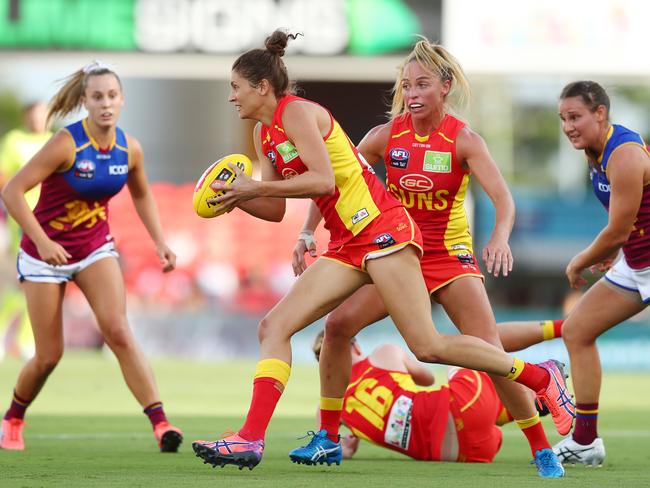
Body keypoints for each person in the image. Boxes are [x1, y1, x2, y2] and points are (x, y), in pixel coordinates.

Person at [191, 30, 569, 477]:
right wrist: (238, 199)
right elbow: (274, 209)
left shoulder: (298, 113)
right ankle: (254, 439)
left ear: (262, 87)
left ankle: (539, 378)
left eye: (235, 87)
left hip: (388, 233)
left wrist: (257, 185)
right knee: (280, 326)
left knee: (427, 347)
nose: (230, 97)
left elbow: (324, 181)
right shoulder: (264, 134)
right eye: (406, 85)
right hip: (351, 242)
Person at [0, 61, 183, 453]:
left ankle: (161, 423)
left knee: (117, 330)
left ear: (122, 100)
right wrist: (42, 242)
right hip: (43, 254)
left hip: (94, 247)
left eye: (112, 96)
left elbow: (141, 193)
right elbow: (13, 191)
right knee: (49, 355)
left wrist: (159, 240)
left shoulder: (128, 147)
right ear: (85, 101)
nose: (106, 103)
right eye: (97, 96)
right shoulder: (67, 143)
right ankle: (13, 418)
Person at [552, 81, 650, 466]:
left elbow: (619, 228)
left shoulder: (624, 152)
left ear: (601, 114)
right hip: (636, 263)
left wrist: (582, 259)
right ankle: (585, 440)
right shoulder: (593, 151)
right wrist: (612, 250)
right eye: (563, 119)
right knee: (577, 330)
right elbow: (622, 222)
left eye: (575, 117)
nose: (568, 126)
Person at [306, 319, 563, 464]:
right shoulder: (384, 353)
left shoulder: (327, 409)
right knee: (473, 341)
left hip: (463, 453)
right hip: (465, 407)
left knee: (481, 405)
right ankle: (552, 348)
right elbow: (427, 378)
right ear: (356, 346)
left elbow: (344, 452)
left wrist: (353, 439)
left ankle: (528, 402)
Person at [0, 101, 52, 360]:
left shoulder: (56, 142)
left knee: (42, 283)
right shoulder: (14, 141)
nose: (39, 120)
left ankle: (27, 341)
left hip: (51, 221)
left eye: (43, 115)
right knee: (27, 281)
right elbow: (4, 177)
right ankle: (11, 336)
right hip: (22, 220)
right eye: (35, 115)